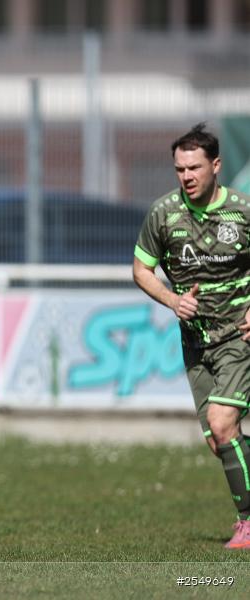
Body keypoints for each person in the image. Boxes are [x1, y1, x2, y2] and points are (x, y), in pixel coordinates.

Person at [133, 123, 250, 549]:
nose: (186, 176)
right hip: (196, 343)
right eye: (180, 169)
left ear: (216, 165)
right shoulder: (163, 214)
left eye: (194, 167)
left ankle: (247, 523)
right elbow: (141, 269)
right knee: (220, 442)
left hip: (239, 337)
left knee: (222, 423)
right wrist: (172, 300)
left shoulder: (242, 211)